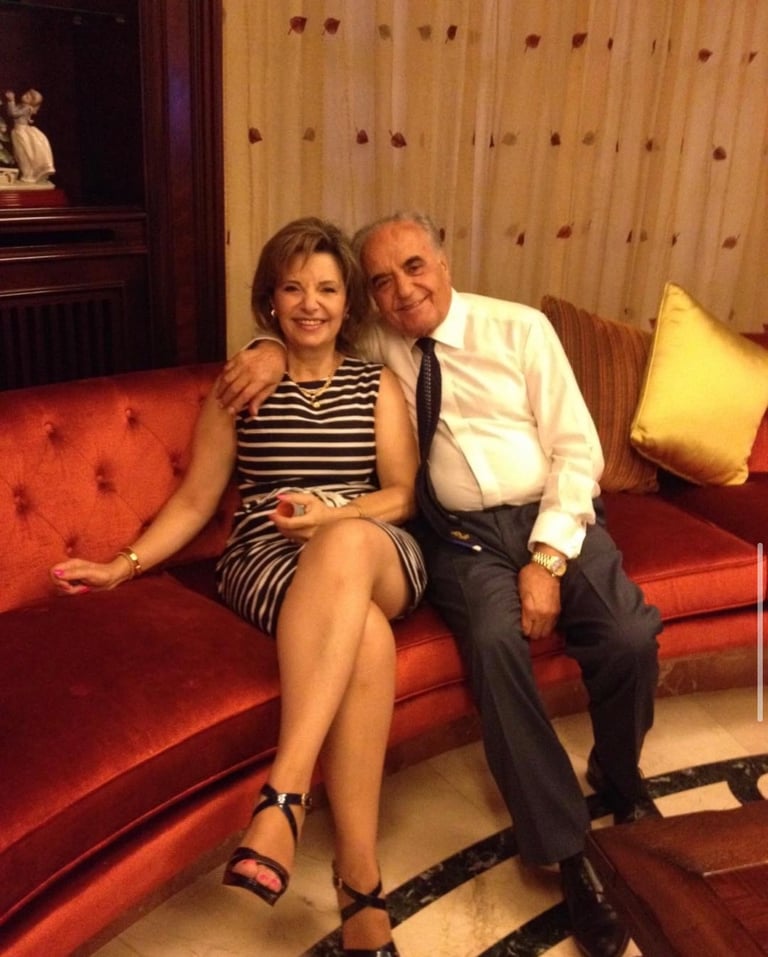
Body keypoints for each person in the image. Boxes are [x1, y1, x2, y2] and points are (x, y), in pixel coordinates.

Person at [217, 211, 663, 957]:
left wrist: (548, 559)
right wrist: (262, 348)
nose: (403, 290)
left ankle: (620, 775)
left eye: (415, 267)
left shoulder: (518, 329)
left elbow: (577, 452)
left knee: (629, 634)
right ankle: (568, 850)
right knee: (491, 642)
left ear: (444, 262)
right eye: (383, 281)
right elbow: (305, 323)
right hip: (460, 537)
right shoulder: (378, 343)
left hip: (552, 514)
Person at [51, 216, 426, 957]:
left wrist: (333, 516)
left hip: (375, 545)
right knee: (366, 636)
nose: (310, 304)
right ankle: (360, 879)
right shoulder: (241, 385)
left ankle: (284, 795)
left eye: (327, 289)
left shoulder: (374, 382)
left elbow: (404, 492)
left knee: (347, 542)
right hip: (267, 559)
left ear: (348, 302)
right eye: (293, 288)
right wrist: (122, 564)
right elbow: (196, 501)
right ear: (270, 300)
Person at [4, 89, 55, 184]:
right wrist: (11, 102)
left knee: (24, 153)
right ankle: (28, 174)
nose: (25, 96)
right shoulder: (21, 106)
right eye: (26, 94)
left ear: (32, 102)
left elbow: (13, 113)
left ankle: (29, 174)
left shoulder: (27, 108)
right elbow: (11, 112)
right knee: (21, 153)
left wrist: (11, 100)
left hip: (21, 131)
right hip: (18, 130)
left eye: (28, 97)